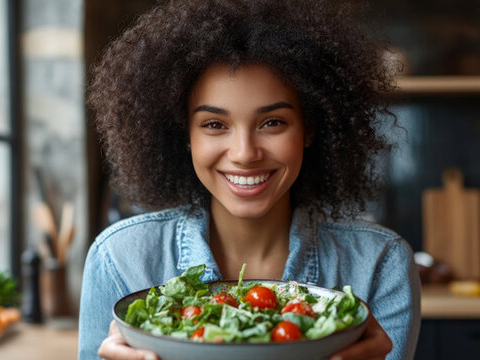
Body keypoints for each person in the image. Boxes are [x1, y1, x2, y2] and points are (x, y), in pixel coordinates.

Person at [80, 0, 420, 359]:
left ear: (309, 128)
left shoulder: (380, 264)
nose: (244, 152)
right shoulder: (120, 260)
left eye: (272, 122)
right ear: (186, 135)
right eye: (214, 125)